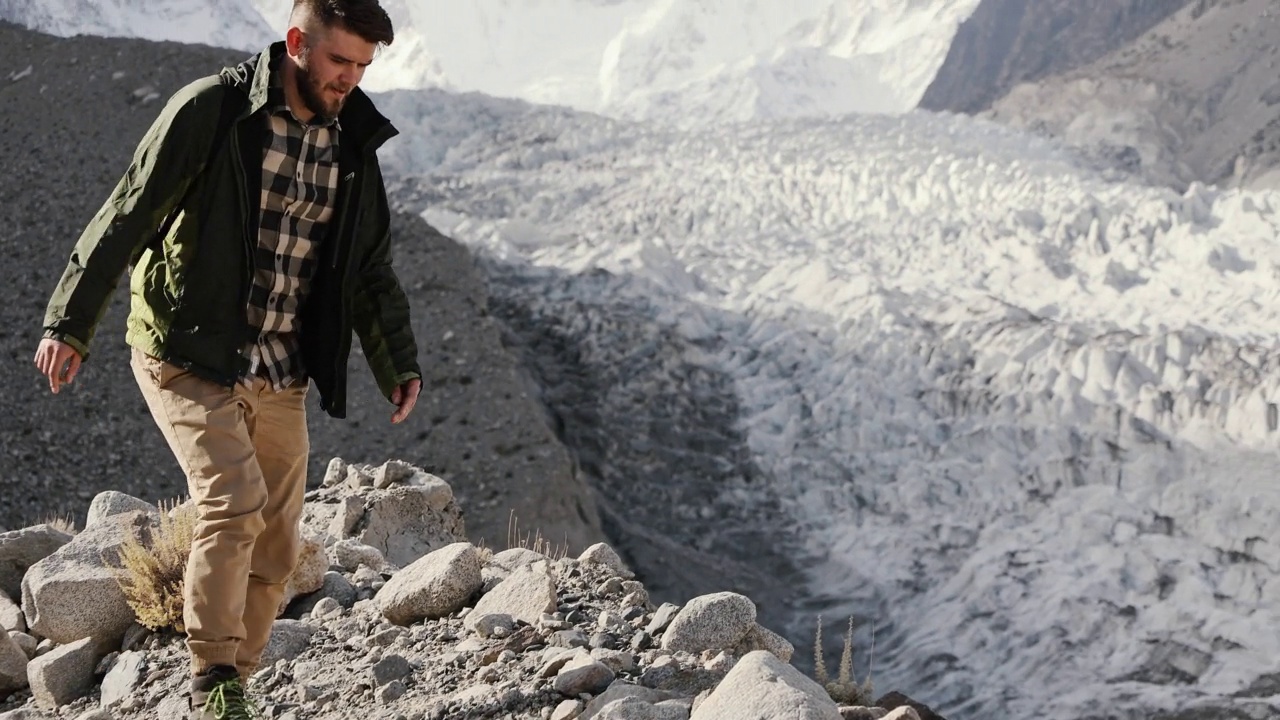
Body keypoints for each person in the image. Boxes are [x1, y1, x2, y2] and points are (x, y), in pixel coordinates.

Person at [33, 1, 421, 716]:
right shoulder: (213, 111)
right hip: (185, 349)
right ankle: (211, 679)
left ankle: (234, 685)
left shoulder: (353, 144)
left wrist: (397, 362)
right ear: (298, 42)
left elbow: (368, 269)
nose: (350, 81)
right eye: (341, 62)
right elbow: (129, 210)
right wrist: (70, 322)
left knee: (277, 542)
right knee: (232, 502)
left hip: (279, 367)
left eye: (364, 67)